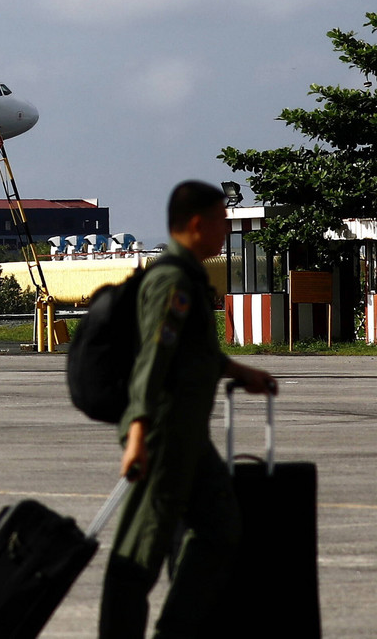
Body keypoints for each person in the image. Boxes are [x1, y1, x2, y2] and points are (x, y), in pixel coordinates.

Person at [99, 180, 277, 638]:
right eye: (221, 221)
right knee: (137, 556)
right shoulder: (173, 281)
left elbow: (192, 352)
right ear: (197, 224)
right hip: (161, 435)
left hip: (188, 437)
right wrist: (138, 434)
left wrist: (240, 372)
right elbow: (152, 359)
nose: (224, 230)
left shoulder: (190, 278)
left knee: (221, 531)